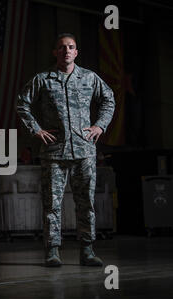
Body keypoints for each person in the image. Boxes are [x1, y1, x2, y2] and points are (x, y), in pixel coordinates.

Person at [16, 33, 115, 267]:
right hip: (54, 153)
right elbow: (23, 103)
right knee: (52, 205)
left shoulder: (89, 78)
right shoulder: (43, 79)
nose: (66, 51)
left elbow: (108, 99)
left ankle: (87, 250)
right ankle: (52, 251)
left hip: (84, 151)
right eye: (61, 48)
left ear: (76, 52)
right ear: (55, 52)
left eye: (71, 47)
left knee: (86, 203)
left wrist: (99, 125)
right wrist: (36, 129)